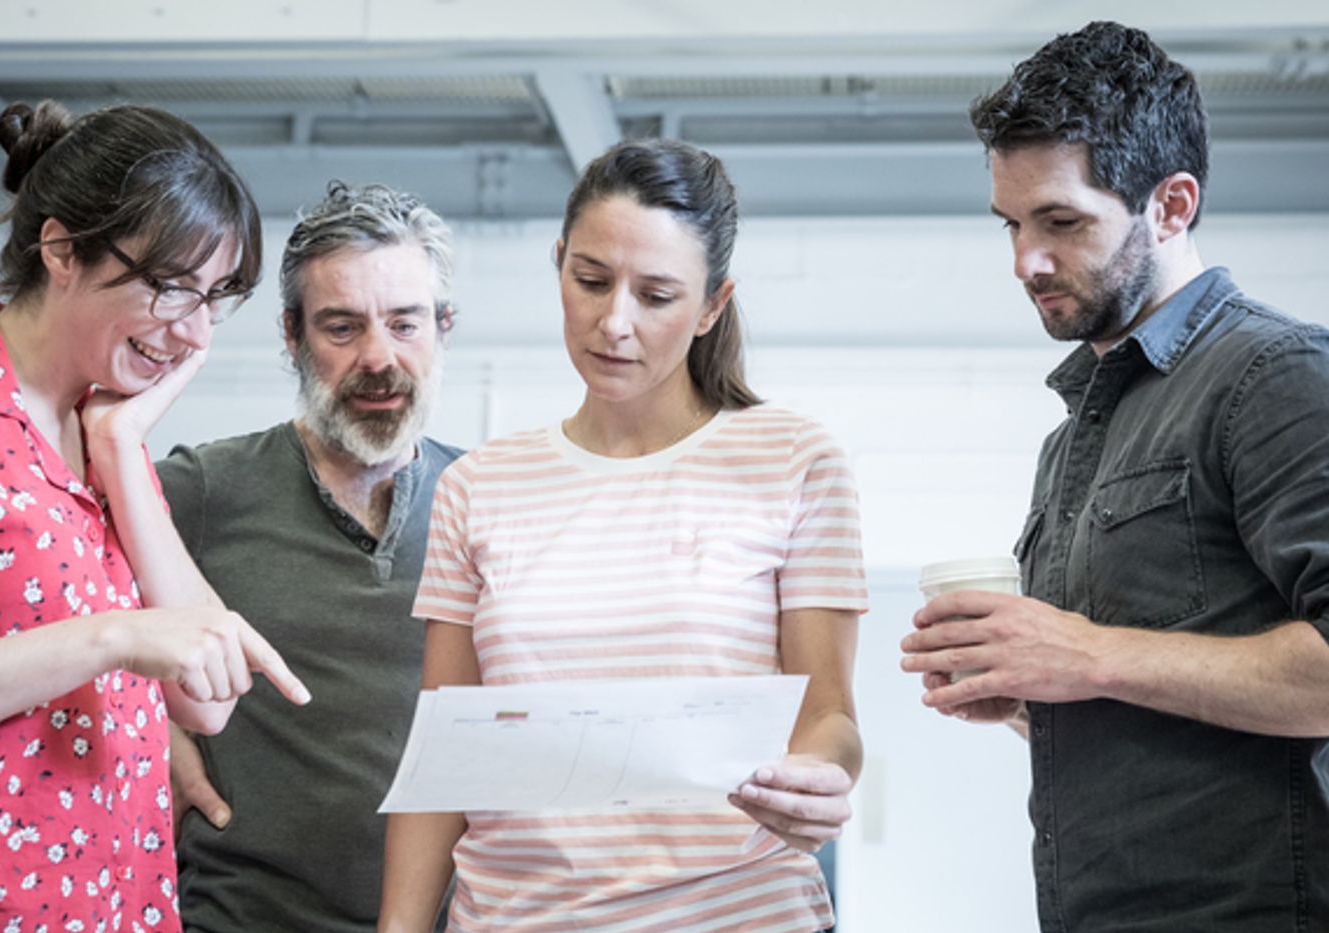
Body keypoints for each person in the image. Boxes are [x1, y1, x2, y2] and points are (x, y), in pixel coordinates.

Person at [900, 20, 1329, 932]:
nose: (1026, 261)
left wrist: (1083, 654)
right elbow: (1150, 692)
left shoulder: (1277, 376)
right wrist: (1026, 695)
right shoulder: (1077, 434)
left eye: (1061, 221)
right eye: (1011, 224)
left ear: (1172, 205)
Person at [378, 138, 868, 933]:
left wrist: (817, 775)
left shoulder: (793, 460)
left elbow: (830, 713)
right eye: (591, 280)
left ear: (712, 305)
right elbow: (447, 751)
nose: (615, 322)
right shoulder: (478, 486)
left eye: (658, 295)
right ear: (560, 265)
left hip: (738, 913)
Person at [0, 101, 307, 930]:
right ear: (62, 249)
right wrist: (113, 636)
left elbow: (206, 700)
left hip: (118, 905)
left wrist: (122, 440)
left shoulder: (101, 431)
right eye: (172, 288)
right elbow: (141, 641)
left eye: (217, 297)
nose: (196, 332)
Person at [159, 181, 462, 933]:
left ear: (443, 329)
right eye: (341, 327)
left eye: (404, 323)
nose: (378, 357)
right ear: (292, 336)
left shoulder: (492, 499)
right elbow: (54, 606)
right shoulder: (202, 488)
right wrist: (154, 733)